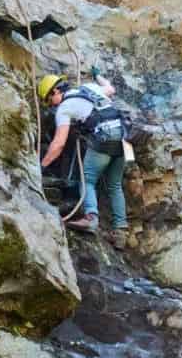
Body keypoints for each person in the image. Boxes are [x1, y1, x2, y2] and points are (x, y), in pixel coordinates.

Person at [38, 74, 131, 242]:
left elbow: (58, 144)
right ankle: (121, 232)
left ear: (56, 91)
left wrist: (41, 167)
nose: (50, 105)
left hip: (104, 138)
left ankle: (91, 218)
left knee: (86, 180)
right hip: (124, 137)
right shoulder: (90, 87)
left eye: (48, 100)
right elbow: (110, 88)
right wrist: (98, 76)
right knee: (115, 185)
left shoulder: (64, 108)